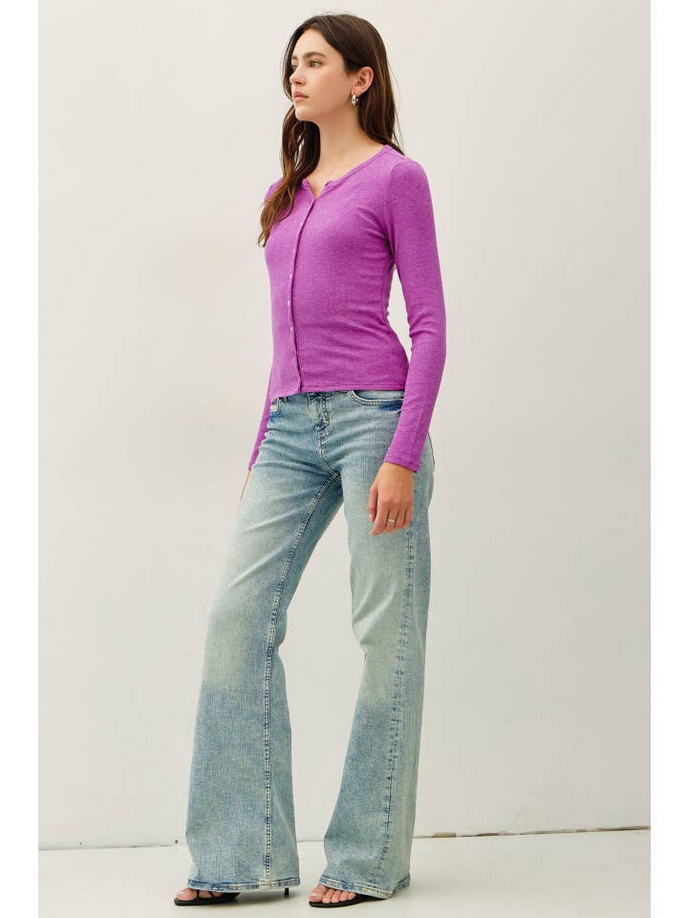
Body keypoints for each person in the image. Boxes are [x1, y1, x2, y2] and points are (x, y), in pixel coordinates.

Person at [174, 12, 446, 909]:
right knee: (236, 619)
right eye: (292, 62)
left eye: (316, 61)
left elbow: (430, 326)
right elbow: (283, 342)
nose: (297, 75)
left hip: (376, 420)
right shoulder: (285, 192)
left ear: (361, 79)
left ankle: (366, 860)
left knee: (385, 637)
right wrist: (261, 448)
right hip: (290, 430)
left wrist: (402, 455)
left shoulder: (397, 178)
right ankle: (239, 857)